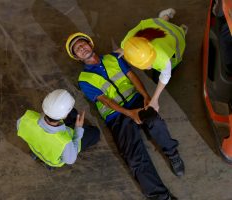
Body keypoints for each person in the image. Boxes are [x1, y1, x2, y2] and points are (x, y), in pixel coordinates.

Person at [65, 31, 184, 200]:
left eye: (82, 44)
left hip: (135, 99)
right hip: (116, 116)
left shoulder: (114, 58)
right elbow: (105, 101)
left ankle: (172, 154)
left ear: (90, 44)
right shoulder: (84, 79)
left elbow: (132, 76)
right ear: (76, 57)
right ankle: (161, 197)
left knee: (155, 121)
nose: (81, 48)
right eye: (77, 49)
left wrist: (145, 96)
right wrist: (130, 113)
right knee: (134, 156)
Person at [116, 8, 187, 111]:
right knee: (161, 24)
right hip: (158, 26)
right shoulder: (128, 43)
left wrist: (154, 99)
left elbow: (165, 76)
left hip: (177, 37)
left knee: (157, 78)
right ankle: (166, 16)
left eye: (149, 64)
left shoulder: (163, 57)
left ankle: (181, 30)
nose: (149, 67)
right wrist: (124, 51)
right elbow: (124, 48)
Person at [17, 89, 100, 168]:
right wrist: (78, 130)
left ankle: (35, 155)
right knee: (95, 133)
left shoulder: (26, 118)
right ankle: (49, 165)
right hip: (51, 161)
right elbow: (70, 160)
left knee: (73, 112)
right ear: (64, 116)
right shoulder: (64, 142)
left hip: (35, 148)